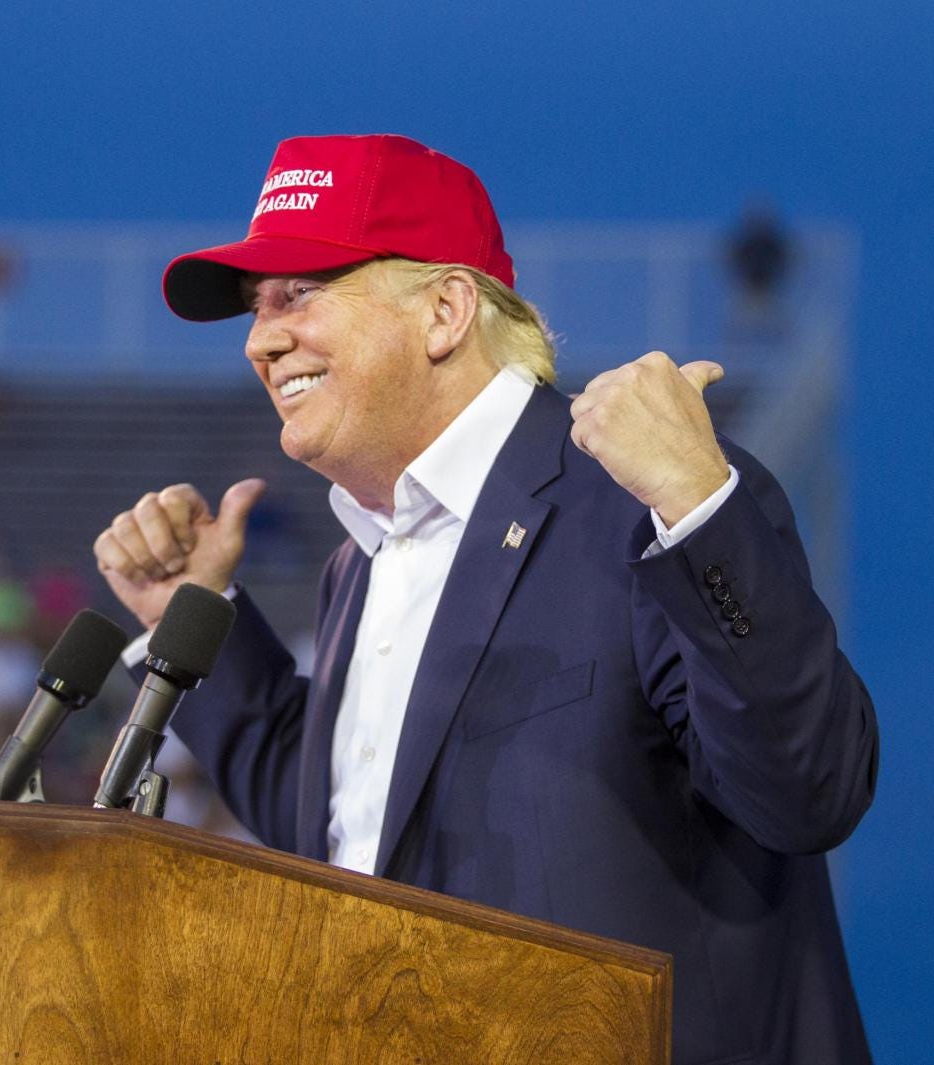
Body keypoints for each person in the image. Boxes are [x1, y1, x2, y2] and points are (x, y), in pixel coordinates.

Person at [94, 135, 875, 1063]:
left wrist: (704, 510)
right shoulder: (362, 564)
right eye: (256, 307)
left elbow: (809, 788)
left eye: (298, 292)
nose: (261, 338)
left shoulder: (638, 499)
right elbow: (350, 835)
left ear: (445, 312)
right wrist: (192, 615)